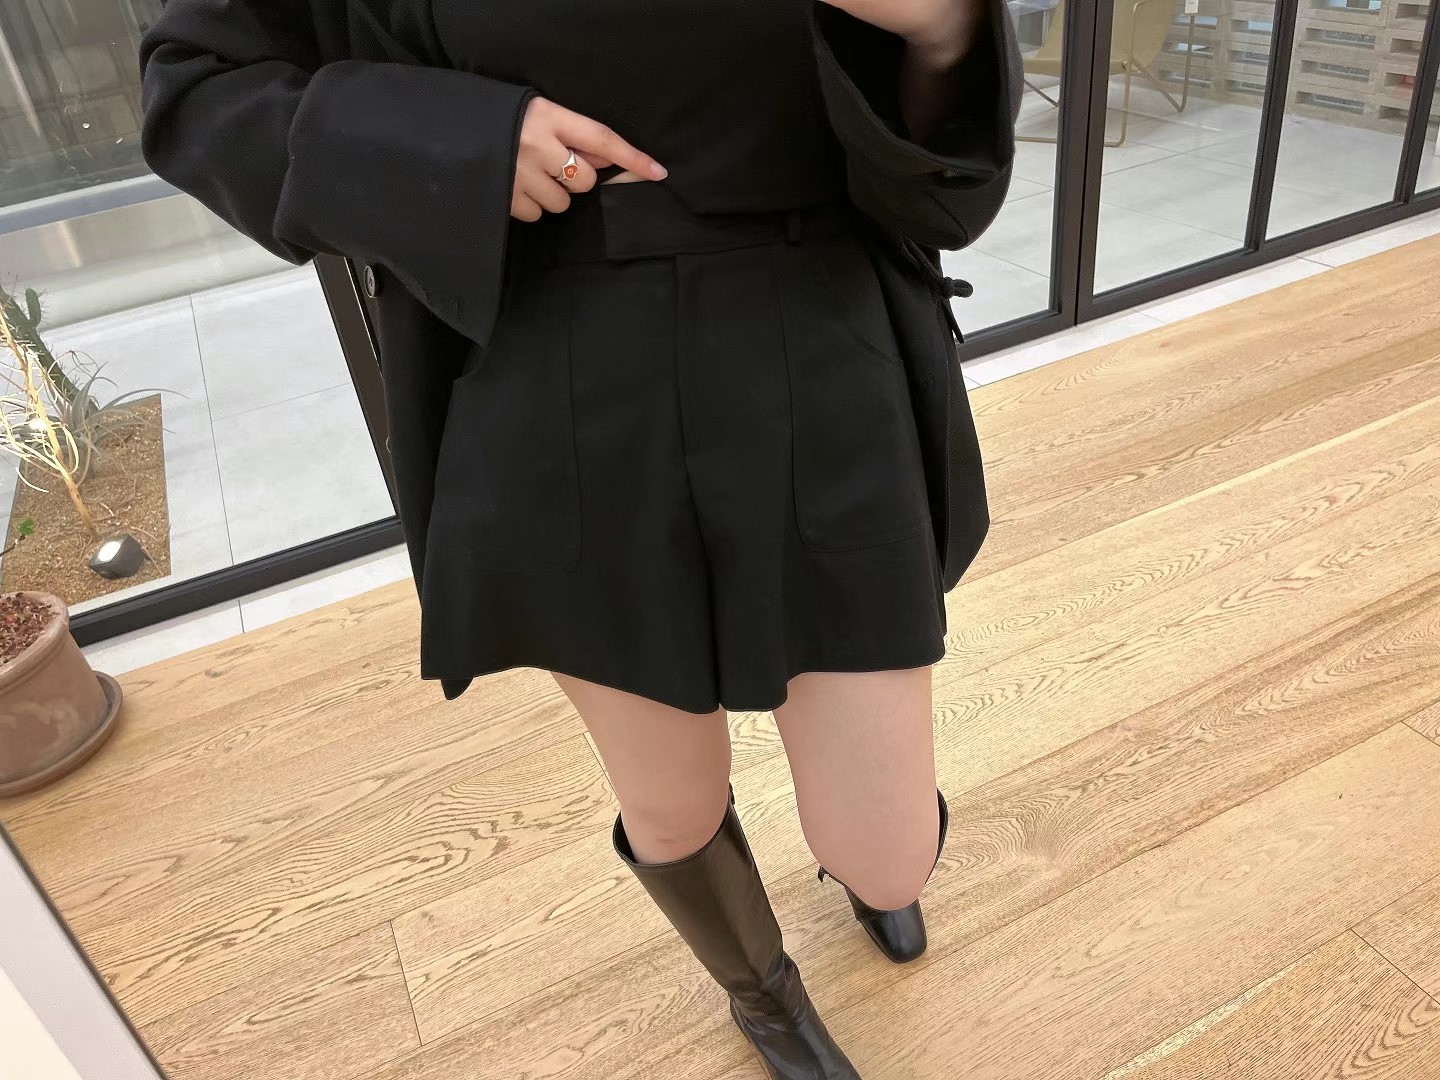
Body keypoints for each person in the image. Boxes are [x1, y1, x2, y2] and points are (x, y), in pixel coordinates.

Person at [138, 1, 1021, 1075]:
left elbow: (943, 165)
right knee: (671, 799)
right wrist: (452, 145)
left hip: (817, 328)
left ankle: (870, 876)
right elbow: (197, 82)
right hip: (554, 360)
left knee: (888, 854)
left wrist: (943, 31)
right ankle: (762, 993)